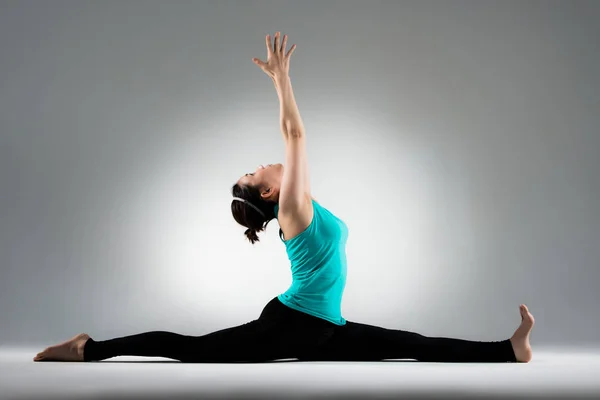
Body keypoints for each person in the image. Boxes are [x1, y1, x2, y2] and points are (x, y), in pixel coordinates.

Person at [33, 32, 534, 364]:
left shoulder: (303, 205)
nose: (264, 161)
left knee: (412, 345)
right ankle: (87, 348)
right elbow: (295, 137)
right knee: (192, 350)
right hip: (291, 325)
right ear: (271, 191)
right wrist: (282, 80)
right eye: (257, 171)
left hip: (325, 326)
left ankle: (509, 351)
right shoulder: (292, 210)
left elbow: (293, 148)